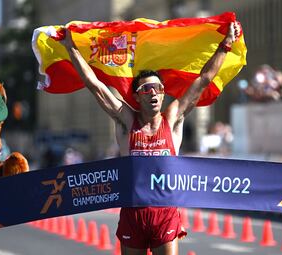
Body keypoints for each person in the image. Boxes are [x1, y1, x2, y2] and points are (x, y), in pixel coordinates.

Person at [60, 21, 241, 255]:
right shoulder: (127, 121)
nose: (153, 93)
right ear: (137, 96)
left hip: (165, 215)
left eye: (157, 88)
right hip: (133, 214)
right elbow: (95, 86)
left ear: (164, 92)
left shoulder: (173, 117)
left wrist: (226, 44)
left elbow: (203, 80)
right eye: (147, 90)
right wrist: (70, 47)